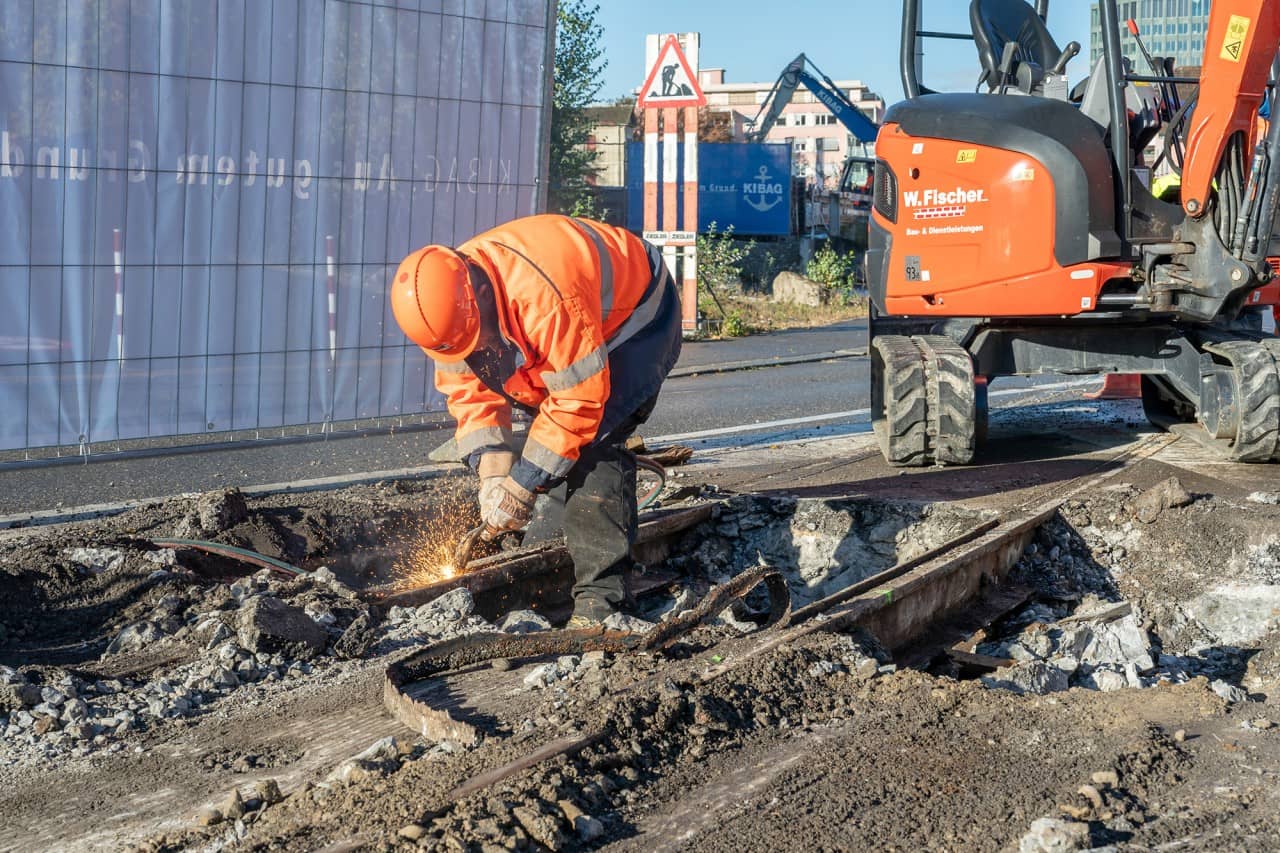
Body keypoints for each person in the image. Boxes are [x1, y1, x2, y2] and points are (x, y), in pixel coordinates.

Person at [390, 214, 682, 627]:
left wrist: (524, 485)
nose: (477, 352)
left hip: (638, 313)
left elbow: (578, 403)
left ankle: (603, 603)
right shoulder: (448, 321)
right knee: (550, 453)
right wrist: (494, 479)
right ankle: (552, 550)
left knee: (594, 441)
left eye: (478, 341)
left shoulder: (544, 301)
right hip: (570, 323)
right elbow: (472, 399)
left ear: (481, 298)